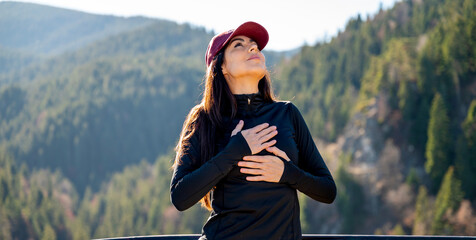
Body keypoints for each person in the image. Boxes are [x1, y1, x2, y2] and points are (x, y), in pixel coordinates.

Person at [170, 21, 336, 240]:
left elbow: (327, 191)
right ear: (221, 67)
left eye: (255, 45)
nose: (252, 48)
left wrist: (287, 173)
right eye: (239, 45)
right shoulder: (204, 119)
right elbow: (180, 197)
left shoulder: (287, 114)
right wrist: (234, 150)